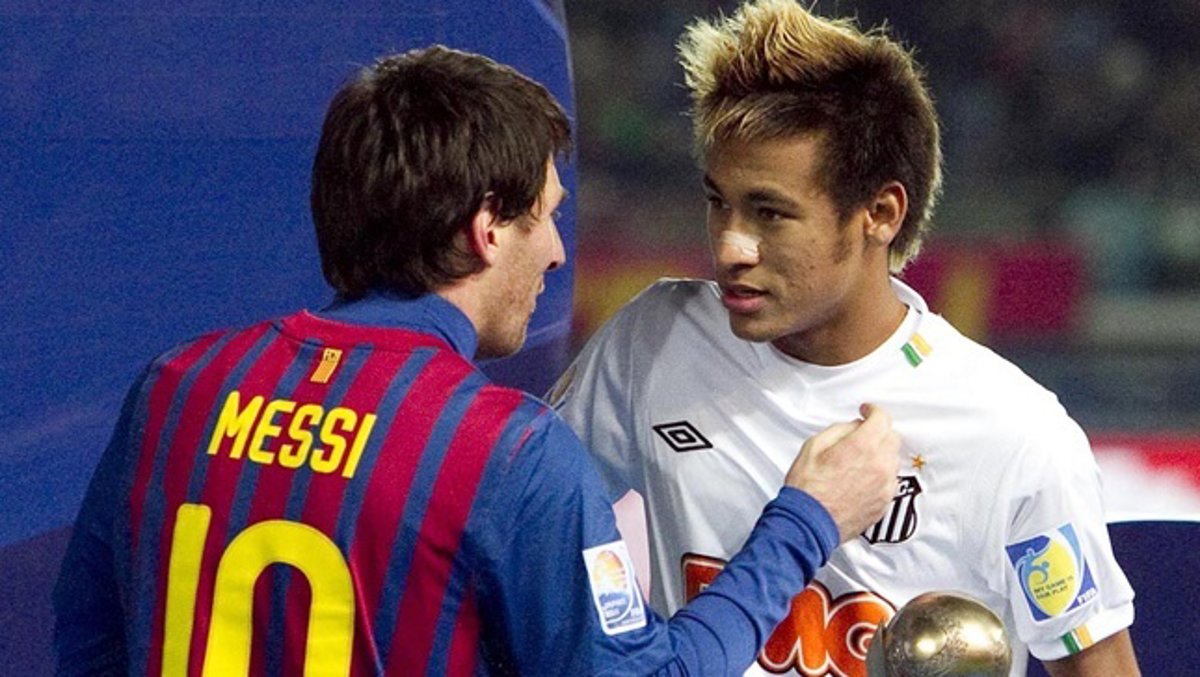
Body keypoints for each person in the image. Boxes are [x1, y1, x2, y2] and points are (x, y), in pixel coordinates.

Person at [52, 44, 902, 676]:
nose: (558, 253)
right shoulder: (506, 452)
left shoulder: (178, 387)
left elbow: (89, 639)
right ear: (487, 227)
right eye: (547, 215)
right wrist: (805, 520)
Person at [551, 1, 1140, 675]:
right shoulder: (653, 343)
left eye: (770, 213)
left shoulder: (1017, 433)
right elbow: (524, 530)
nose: (731, 246)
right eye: (718, 201)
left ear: (880, 213)